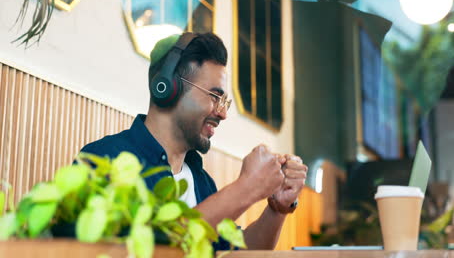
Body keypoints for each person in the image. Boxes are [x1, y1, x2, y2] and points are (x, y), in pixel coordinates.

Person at [80, 32, 308, 250]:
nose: (223, 113)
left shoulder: (201, 181)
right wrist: (246, 187)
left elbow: (234, 253)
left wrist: (277, 209)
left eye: (224, 102)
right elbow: (156, 248)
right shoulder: (104, 160)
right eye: (214, 96)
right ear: (167, 88)